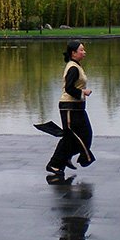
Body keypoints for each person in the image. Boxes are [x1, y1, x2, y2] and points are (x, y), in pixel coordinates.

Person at [47, 40, 95, 176]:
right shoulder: (73, 67)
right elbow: (69, 88)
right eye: (81, 50)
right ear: (73, 53)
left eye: (84, 50)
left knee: (84, 134)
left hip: (77, 108)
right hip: (69, 107)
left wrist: (82, 93)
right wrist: (83, 93)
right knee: (73, 136)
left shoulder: (76, 66)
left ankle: (63, 159)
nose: (84, 52)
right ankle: (54, 164)